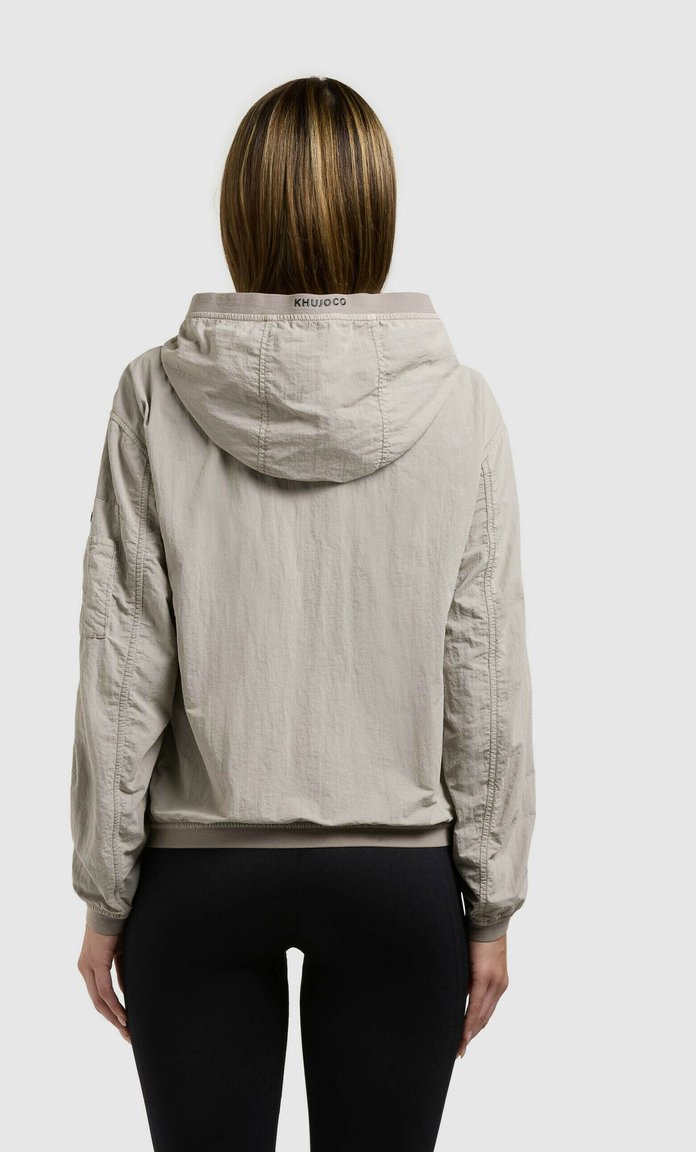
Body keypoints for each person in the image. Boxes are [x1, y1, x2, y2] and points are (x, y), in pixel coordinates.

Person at [70, 75, 536, 1152]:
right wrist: (492, 902)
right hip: (396, 874)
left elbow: (123, 664)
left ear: (239, 211)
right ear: (377, 211)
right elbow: (483, 673)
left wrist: (104, 893)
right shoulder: (460, 405)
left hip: (197, 872)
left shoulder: (155, 394)